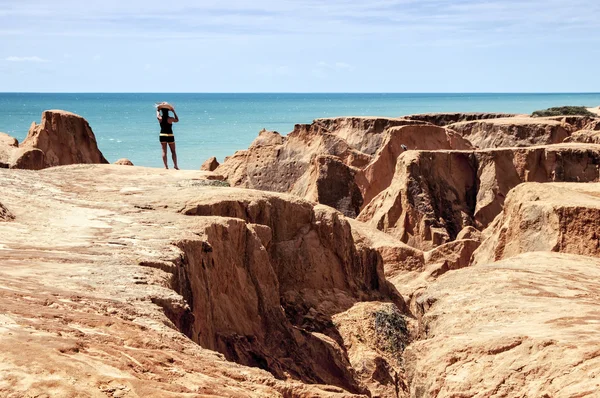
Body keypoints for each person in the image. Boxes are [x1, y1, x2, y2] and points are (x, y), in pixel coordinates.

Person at [156, 104, 179, 169]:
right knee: (173, 151)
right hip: (170, 135)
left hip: (162, 135)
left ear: (162, 112)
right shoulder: (170, 119)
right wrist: (173, 112)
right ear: (168, 112)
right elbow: (177, 120)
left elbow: (157, 115)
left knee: (164, 151)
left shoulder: (160, 118)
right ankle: (175, 166)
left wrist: (158, 110)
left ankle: (166, 166)